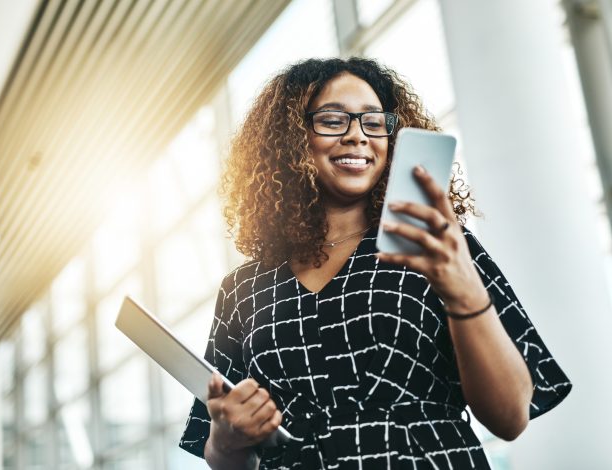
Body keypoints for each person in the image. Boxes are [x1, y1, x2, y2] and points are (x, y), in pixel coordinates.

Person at [179, 57, 571, 470]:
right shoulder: (242, 289)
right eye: (333, 121)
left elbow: (510, 417)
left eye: (374, 122)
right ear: (291, 138)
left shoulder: (436, 246)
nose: (357, 135)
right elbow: (220, 453)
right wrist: (226, 439)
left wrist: (464, 293)